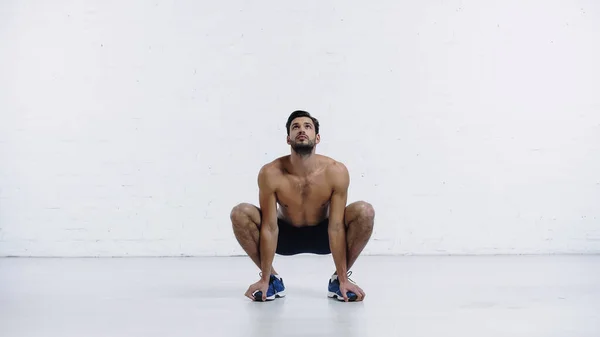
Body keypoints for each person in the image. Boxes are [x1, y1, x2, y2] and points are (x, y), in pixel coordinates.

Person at [230, 110, 375, 302]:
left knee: (365, 211)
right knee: (240, 213)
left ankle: (339, 281)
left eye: (308, 126)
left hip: (325, 235)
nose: (301, 130)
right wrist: (264, 278)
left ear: (317, 137)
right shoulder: (270, 173)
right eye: (295, 127)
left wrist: (342, 278)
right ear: (288, 139)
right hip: (284, 236)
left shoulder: (335, 171)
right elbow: (270, 227)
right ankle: (272, 280)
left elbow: (336, 226)